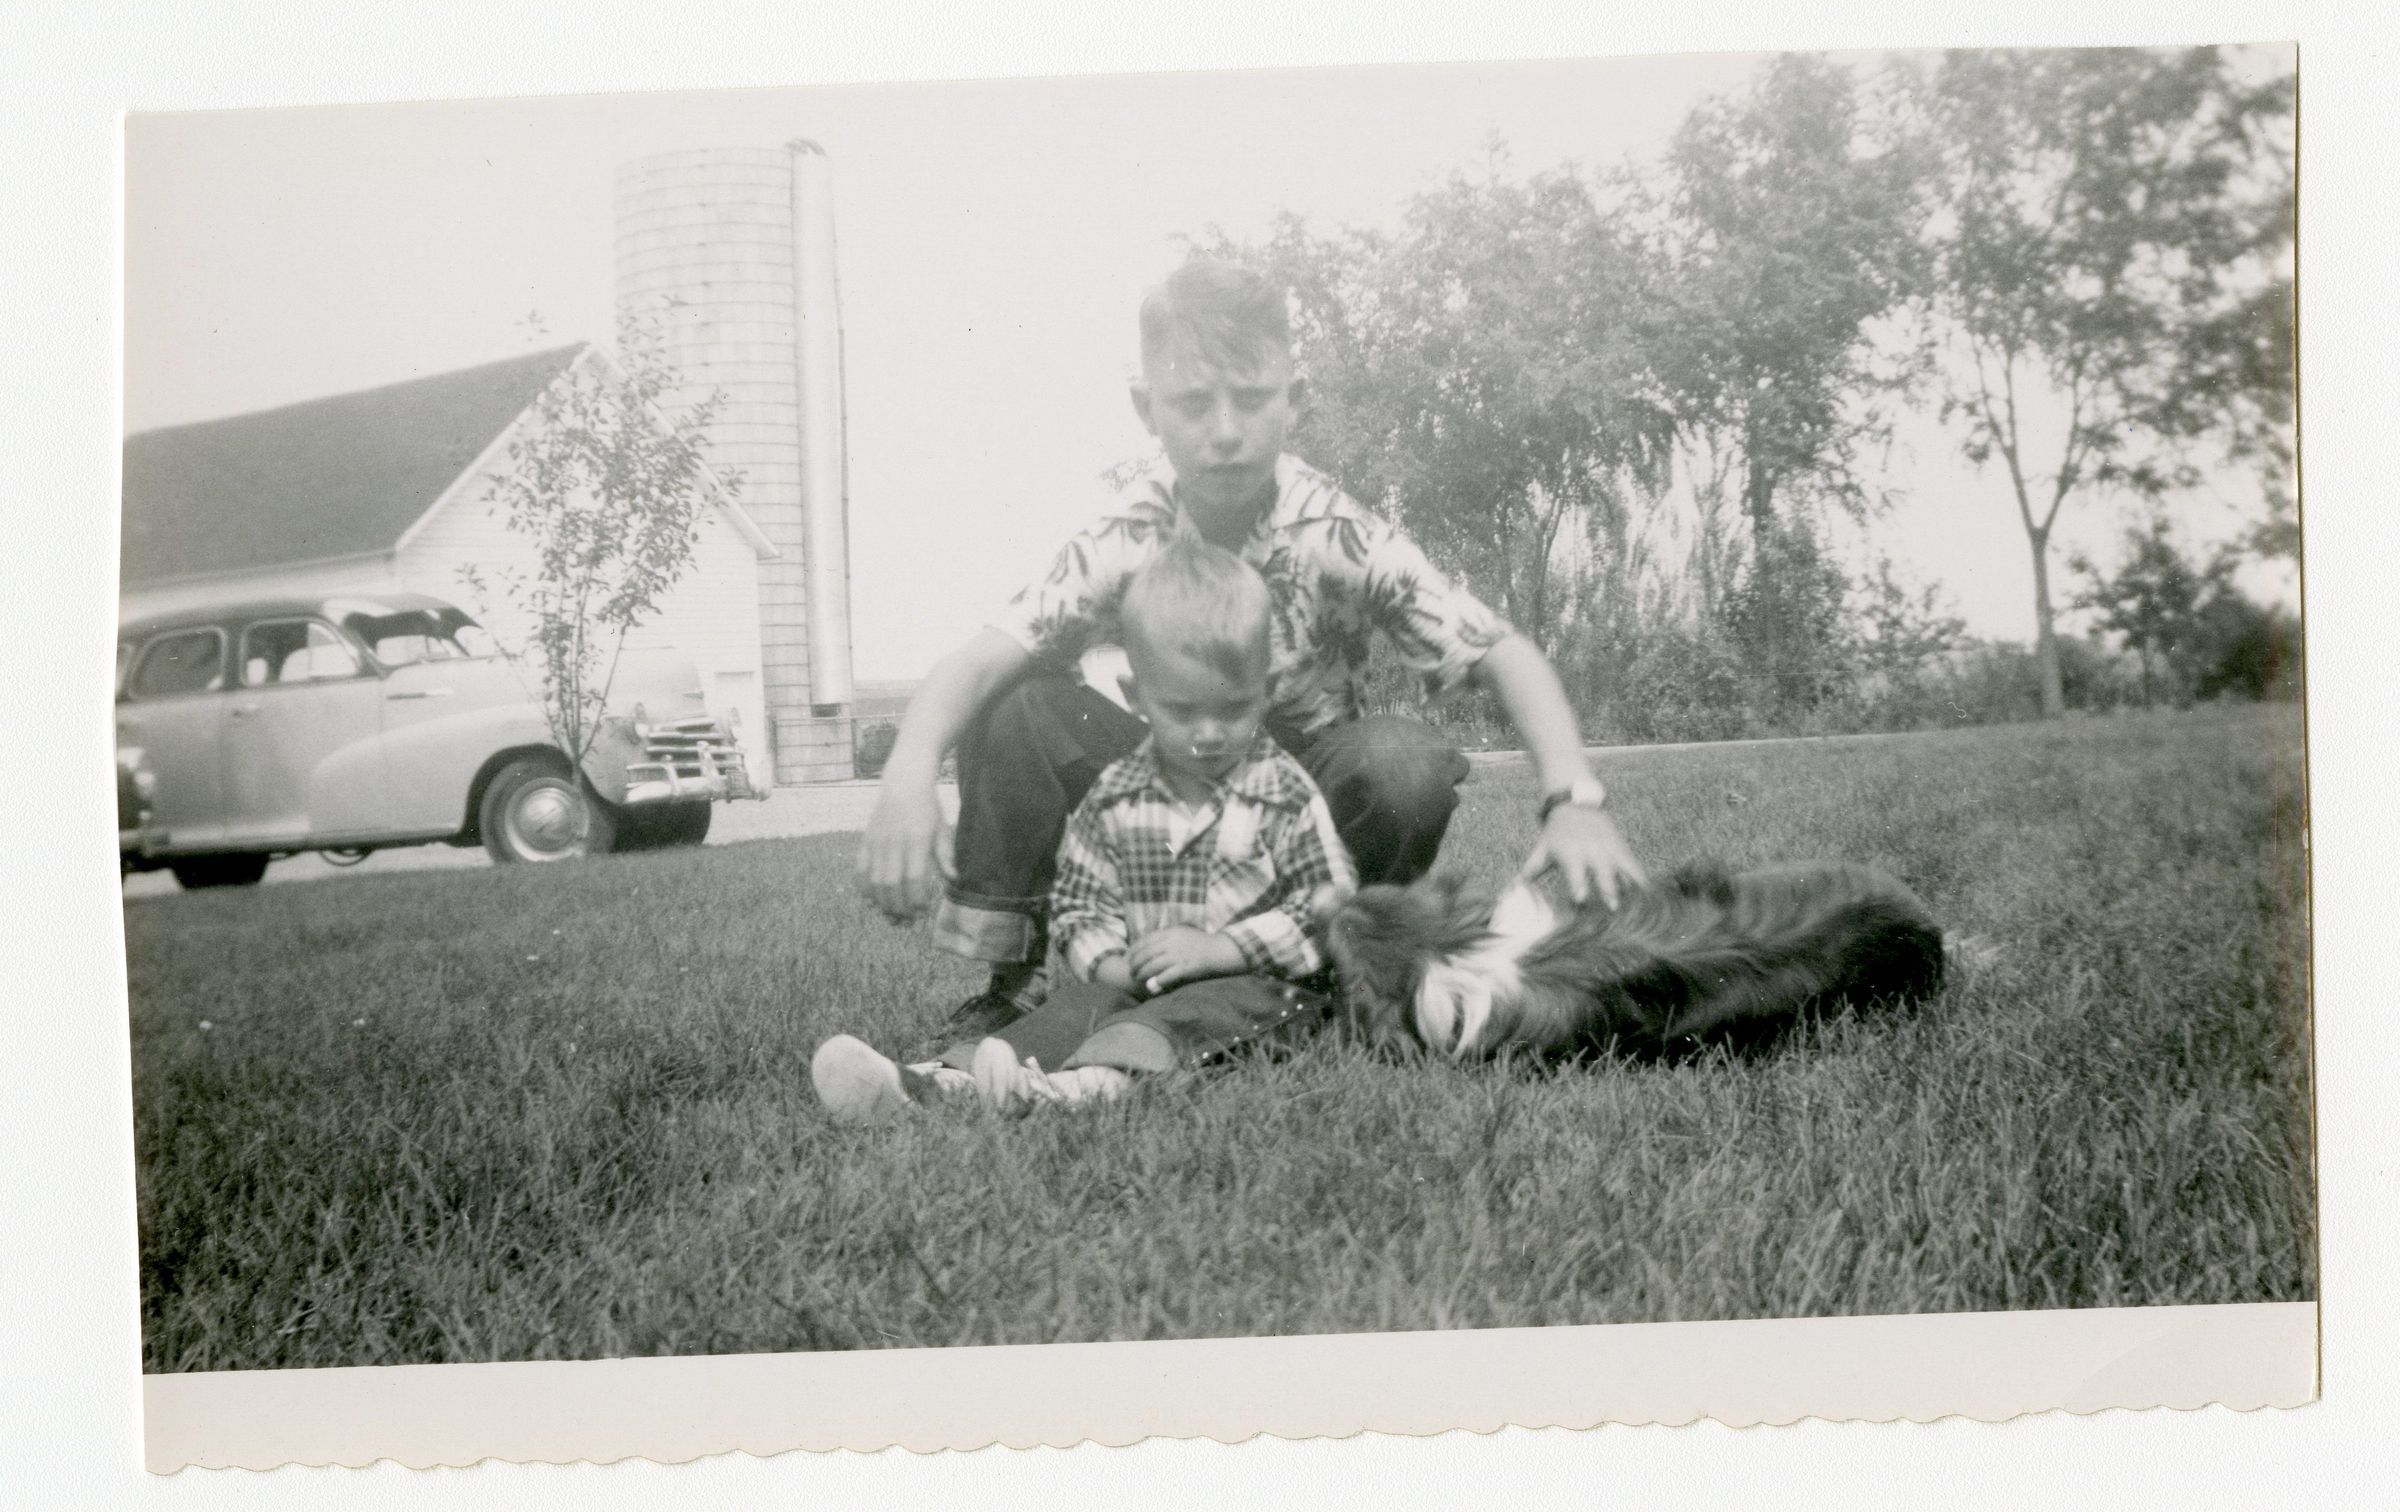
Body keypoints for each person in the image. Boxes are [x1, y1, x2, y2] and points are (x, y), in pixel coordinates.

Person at [857, 259, 1644, 1037]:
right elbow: (977, 661)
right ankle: (1016, 984)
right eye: (1194, 403)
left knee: (1401, 762)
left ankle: (1342, 964)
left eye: (1253, 398)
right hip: (1167, 787)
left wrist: (1573, 801)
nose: (1227, 432)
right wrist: (908, 771)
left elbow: (1501, 651)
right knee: (1017, 700)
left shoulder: (1338, 532)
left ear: (1294, 399)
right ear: (1147, 409)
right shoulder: (1125, 537)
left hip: (1306, 802)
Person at [812, 540, 1357, 1119]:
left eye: (1232, 710)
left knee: (1190, 1017)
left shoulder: (1284, 792)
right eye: (1181, 711)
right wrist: (1108, 961)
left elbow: (1326, 903)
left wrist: (1224, 949)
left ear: (1266, 693)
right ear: (1136, 697)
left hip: (1259, 982)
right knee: (1079, 1006)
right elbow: (1079, 903)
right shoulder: (1119, 793)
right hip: (1142, 978)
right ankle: (933, 1082)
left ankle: (1076, 1090)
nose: (1208, 734)